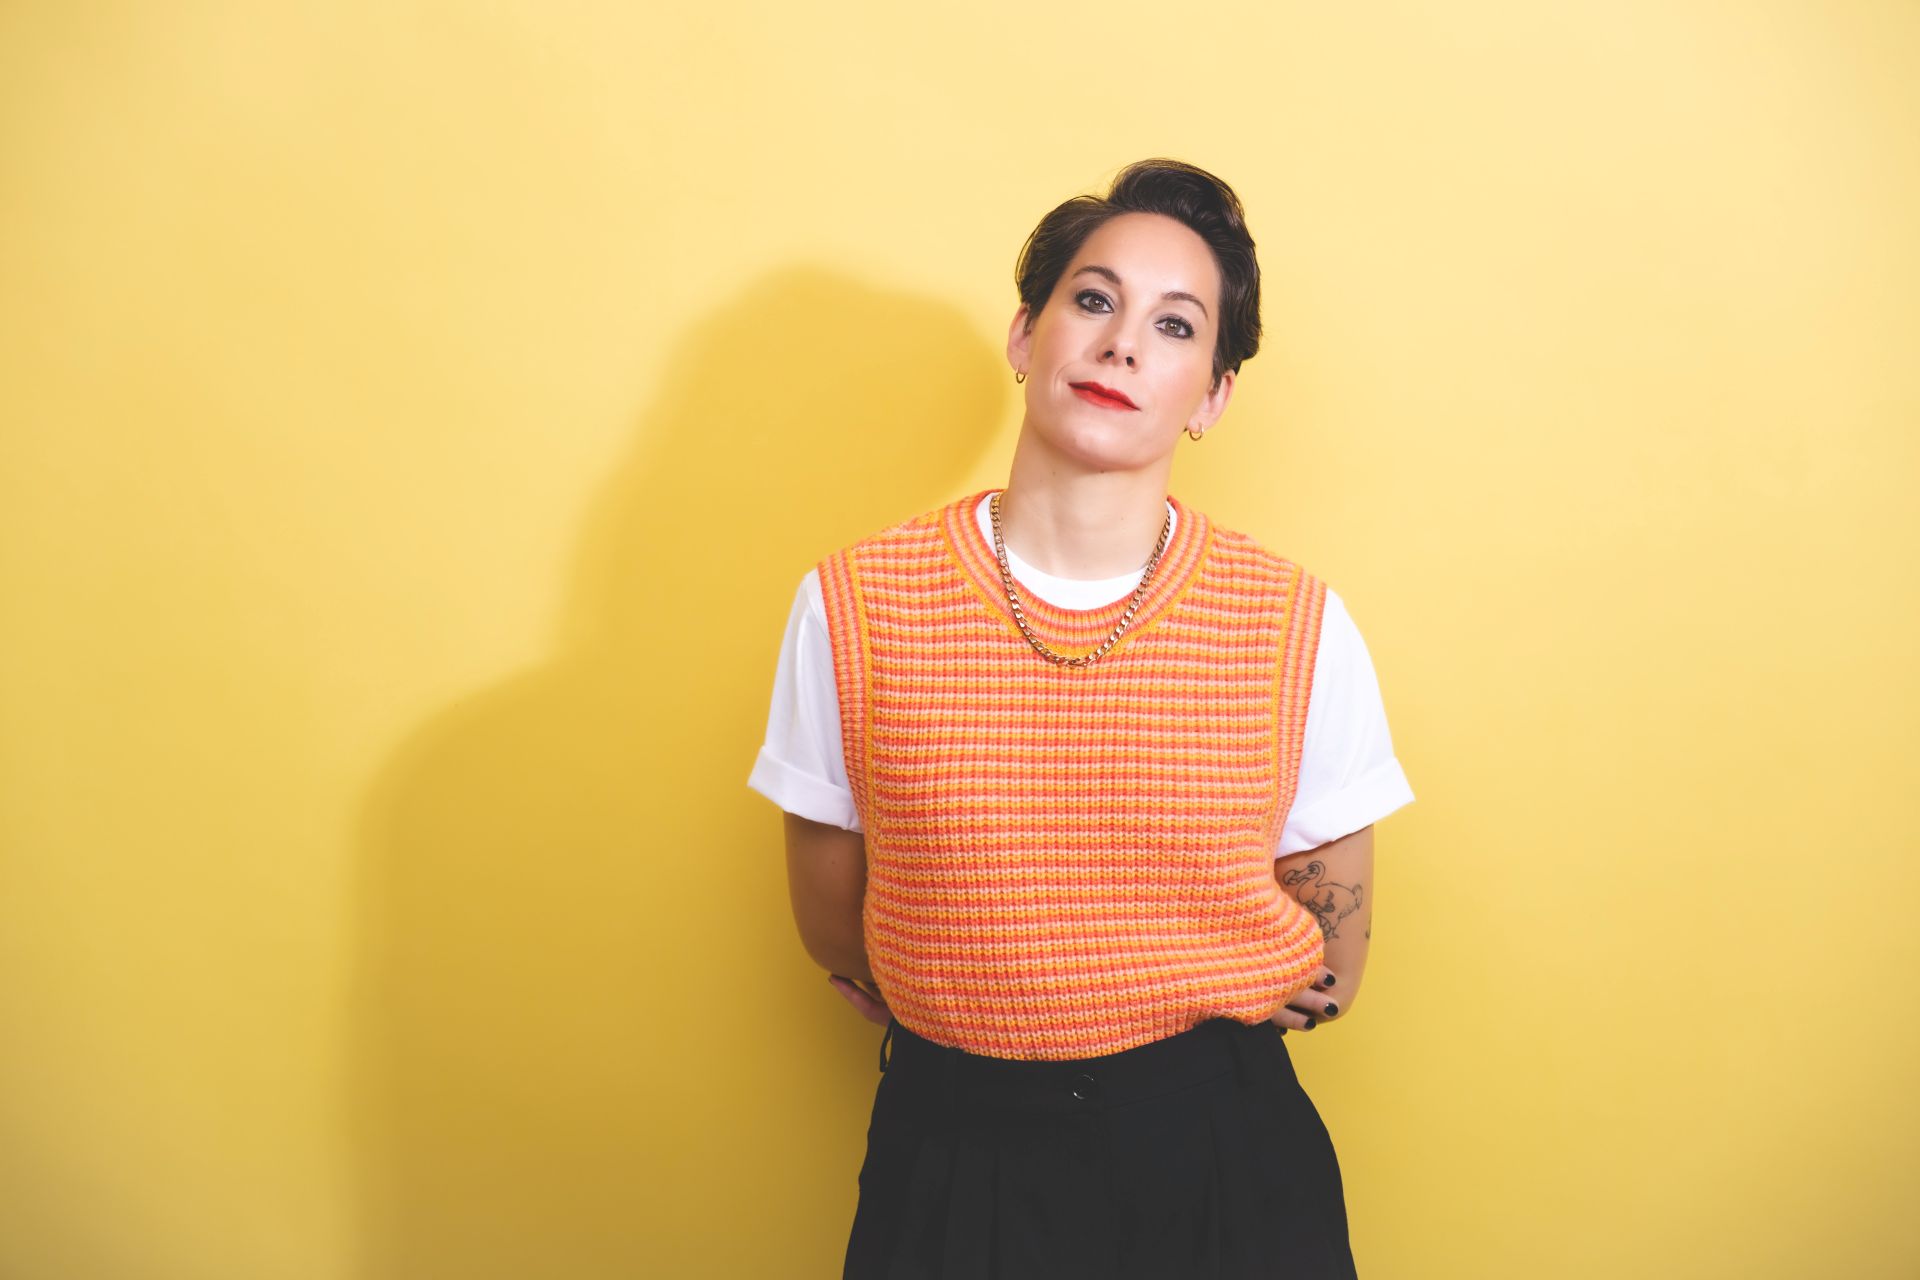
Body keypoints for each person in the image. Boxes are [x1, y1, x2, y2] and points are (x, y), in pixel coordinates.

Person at [748, 158, 1414, 1279]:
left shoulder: (1296, 623)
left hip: (1221, 1159)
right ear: (1025, 333)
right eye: (1093, 300)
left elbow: (1332, 954)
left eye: (1175, 324)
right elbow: (832, 922)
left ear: (1210, 396)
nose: (1122, 345)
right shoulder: (855, 604)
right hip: (956, 1153)